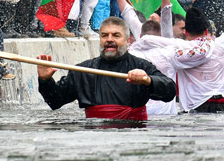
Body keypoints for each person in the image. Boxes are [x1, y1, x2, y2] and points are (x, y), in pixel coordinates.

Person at [37, 16, 177, 120]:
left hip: (134, 135)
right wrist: (45, 81)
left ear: (127, 41)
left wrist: (148, 80)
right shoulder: (83, 70)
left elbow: (170, 90)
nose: (109, 39)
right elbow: (55, 101)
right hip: (96, 137)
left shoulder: (141, 66)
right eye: (105, 35)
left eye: (116, 35)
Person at [166, 0, 224, 112]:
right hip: (222, 105)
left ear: (186, 32)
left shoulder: (180, 48)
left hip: (195, 107)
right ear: (206, 31)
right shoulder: (220, 44)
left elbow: (164, 35)